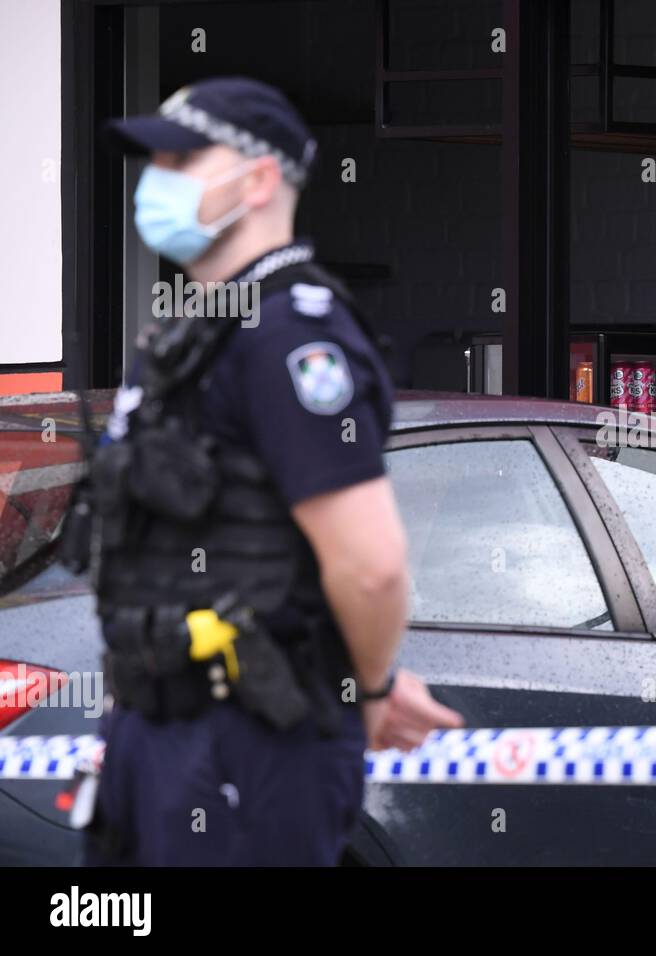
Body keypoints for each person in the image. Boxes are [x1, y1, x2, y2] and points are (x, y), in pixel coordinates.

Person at [69, 76, 463, 865]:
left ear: (256, 178)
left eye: (181, 158)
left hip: (251, 740)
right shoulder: (191, 336)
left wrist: (373, 690)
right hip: (156, 729)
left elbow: (372, 565)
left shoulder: (291, 337)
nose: (156, 181)